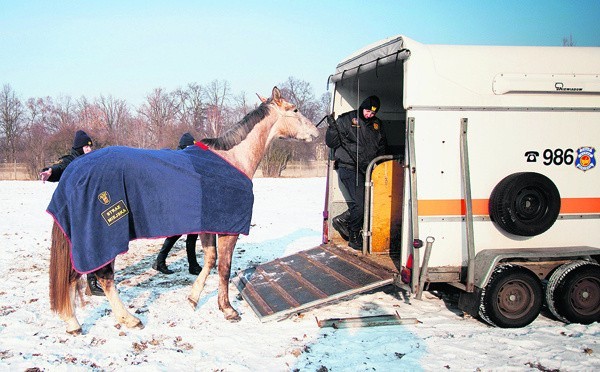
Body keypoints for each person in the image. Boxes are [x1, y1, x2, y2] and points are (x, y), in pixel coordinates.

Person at [40, 130, 105, 296]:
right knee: (82, 245)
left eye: (90, 146)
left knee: (92, 243)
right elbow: (60, 167)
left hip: (89, 207)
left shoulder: (91, 159)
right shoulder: (71, 160)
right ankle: (74, 278)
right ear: (79, 147)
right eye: (86, 146)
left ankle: (92, 282)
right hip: (75, 210)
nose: (89, 149)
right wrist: (50, 171)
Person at [325, 96, 387, 250]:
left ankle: (342, 220)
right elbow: (332, 143)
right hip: (348, 168)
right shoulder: (346, 120)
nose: (369, 115)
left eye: (372, 113)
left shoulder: (377, 125)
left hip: (367, 169)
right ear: (362, 107)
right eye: (367, 111)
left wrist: (380, 166)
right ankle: (354, 236)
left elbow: (382, 147)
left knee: (369, 202)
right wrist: (332, 128)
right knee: (360, 204)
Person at [152, 133, 202, 275]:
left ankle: (164, 261)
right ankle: (189, 265)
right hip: (180, 202)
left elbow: (205, 149)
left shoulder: (187, 157)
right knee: (183, 233)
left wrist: (199, 144)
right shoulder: (179, 160)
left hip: (189, 201)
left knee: (188, 233)